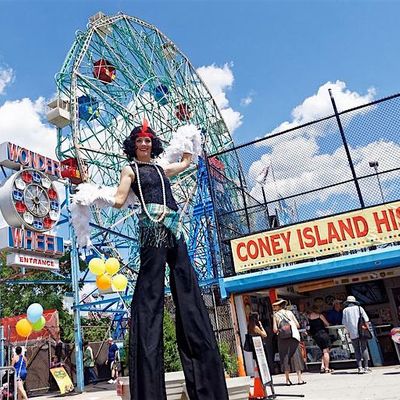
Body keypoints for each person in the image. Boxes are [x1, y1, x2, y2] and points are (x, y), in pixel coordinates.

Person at [109, 122, 228, 400]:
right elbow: (119, 198)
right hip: (152, 226)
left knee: (187, 287)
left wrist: (190, 138)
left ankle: (205, 383)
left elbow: (186, 162)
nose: (144, 144)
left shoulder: (162, 169)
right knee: (150, 291)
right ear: (133, 144)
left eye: (148, 140)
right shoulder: (131, 170)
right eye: (139, 140)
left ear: (154, 144)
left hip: (174, 225)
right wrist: (96, 195)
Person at [272, 299, 305, 386]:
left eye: (275, 306)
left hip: (282, 339)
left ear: (279, 306)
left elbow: (275, 329)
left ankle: (287, 380)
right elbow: (297, 325)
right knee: (296, 356)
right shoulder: (290, 313)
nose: (274, 307)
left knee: (284, 357)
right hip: (293, 337)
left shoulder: (275, 315)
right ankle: (299, 379)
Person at [342, 295, 372, 374]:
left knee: (356, 350)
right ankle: (366, 367)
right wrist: (367, 329)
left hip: (352, 333)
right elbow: (366, 320)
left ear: (347, 302)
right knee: (364, 348)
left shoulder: (345, 310)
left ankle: (359, 367)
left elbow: (344, 323)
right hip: (361, 331)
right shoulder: (359, 308)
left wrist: (348, 332)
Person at [308, 305, 333, 373]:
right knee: (326, 352)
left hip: (315, 336)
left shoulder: (309, 316)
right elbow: (327, 324)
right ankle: (327, 368)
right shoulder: (320, 316)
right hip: (323, 334)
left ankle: (322, 366)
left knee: (323, 351)